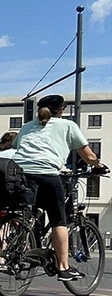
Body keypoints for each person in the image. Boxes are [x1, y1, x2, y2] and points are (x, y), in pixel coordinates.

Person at [12, 94, 105, 281]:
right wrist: (99, 166)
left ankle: (26, 245)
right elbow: (88, 155)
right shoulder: (68, 126)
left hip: (19, 174)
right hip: (47, 174)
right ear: (61, 110)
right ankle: (63, 267)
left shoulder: (26, 127)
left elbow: (17, 147)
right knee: (58, 221)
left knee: (31, 209)